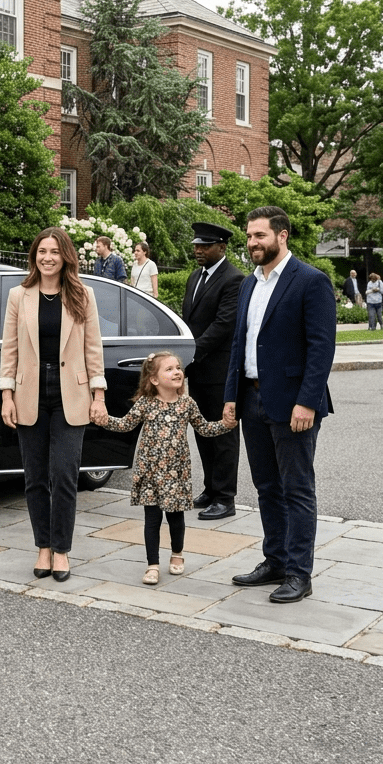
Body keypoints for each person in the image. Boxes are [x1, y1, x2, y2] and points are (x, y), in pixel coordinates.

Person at [223, 205, 336, 604]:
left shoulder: (310, 281)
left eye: (260, 236)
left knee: (297, 490)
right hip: (252, 400)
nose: (252, 243)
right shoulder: (249, 284)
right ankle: (276, 560)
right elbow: (241, 342)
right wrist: (231, 397)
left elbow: (322, 349)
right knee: (266, 487)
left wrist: (306, 403)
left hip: (293, 407)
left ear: (282, 235)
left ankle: (299, 574)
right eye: (249, 236)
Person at [0, 227, 108, 583]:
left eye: (54, 252)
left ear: (65, 257)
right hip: (29, 392)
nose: (47, 257)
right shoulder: (19, 295)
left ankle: (61, 550)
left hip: (69, 395)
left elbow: (93, 348)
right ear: (35, 256)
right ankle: (42, 547)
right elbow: (9, 349)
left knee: (63, 474)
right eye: (42, 251)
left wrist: (99, 395)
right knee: (34, 478)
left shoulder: (82, 294)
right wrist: (6, 395)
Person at [100, 352, 234, 585]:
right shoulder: (145, 403)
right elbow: (125, 425)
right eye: (169, 369)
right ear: (154, 380)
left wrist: (225, 425)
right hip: (150, 472)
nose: (177, 372)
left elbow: (203, 429)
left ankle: (177, 554)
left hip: (176, 472)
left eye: (178, 368)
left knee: (175, 517)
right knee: (151, 519)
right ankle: (152, 565)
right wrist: (103, 419)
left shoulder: (187, 403)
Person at [181, 221, 245, 521]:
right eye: (196, 245)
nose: (198, 250)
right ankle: (210, 488)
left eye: (205, 246)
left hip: (220, 372)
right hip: (199, 372)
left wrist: (191, 352)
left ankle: (225, 497)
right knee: (203, 433)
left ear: (222, 247)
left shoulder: (234, 279)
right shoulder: (195, 277)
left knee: (223, 437)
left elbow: (223, 325)